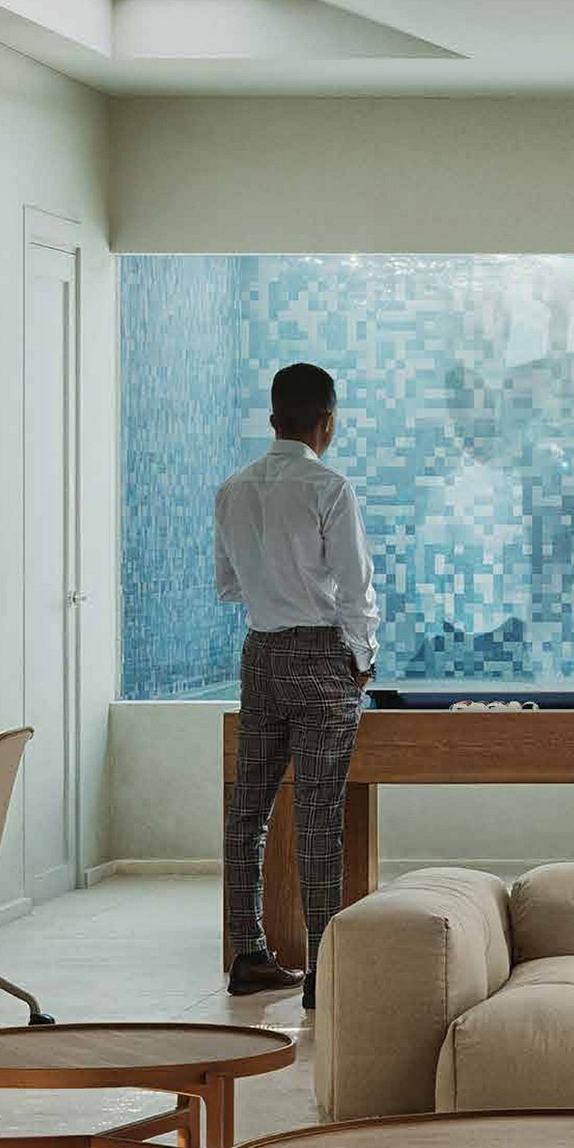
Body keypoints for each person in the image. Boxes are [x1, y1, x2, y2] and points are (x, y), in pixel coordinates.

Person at [214, 361, 380, 1000]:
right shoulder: (329, 487)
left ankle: (249, 954)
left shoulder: (233, 488)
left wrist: (273, 591)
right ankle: (321, 969)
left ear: (273, 419)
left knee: (247, 813)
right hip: (319, 658)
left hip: (259, 655)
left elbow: (228, 585)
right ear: (328, 422)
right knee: (316, 817)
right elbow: (356, 590)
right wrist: (362, 659)